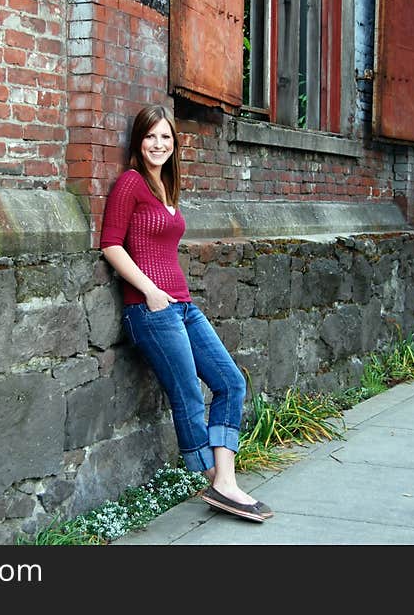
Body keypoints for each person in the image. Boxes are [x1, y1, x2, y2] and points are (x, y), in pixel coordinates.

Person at [99, 104, 273, 523]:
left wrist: (172, 296)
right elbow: (110, 244)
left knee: (230, 381)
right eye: (150, 137)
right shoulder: (130, 183)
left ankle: (223, 482)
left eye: (166, 137)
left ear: (174, 144)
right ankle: (219, 482)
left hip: (183, 305)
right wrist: (150, 291)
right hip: (151, 309)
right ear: (138, 142)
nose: (158, 144)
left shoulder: (166, 188)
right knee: (189, 395)